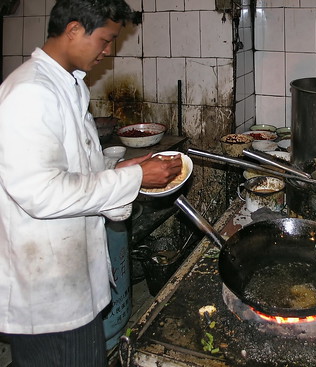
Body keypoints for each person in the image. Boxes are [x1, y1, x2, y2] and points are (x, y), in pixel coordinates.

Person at [0, 0, 182, 365]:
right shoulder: (30, 92)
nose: (109, 50)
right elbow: (42, 192)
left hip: (71, 280)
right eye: (105, 39)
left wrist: (124, 170)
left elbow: (75, 173)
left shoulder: (68, 85)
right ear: (73, 30)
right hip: (48, 295)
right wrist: (132, 178)